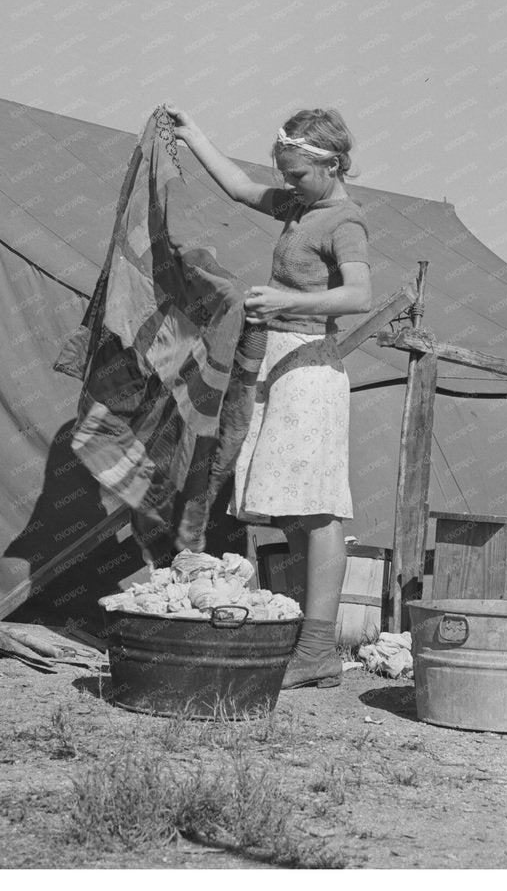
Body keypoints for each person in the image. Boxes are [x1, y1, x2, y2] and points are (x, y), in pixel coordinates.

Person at [166, 104, 372, 689]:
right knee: (290, 508)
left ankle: (316, 647)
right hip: (277, 363)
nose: (288, 184)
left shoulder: (344, 221)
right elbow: (237, 189)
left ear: (333, 166)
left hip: (310, 369)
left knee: (317, 506)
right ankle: (308, 644)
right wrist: (193, 132)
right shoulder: (299, 207)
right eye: (284, 173)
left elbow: (359, 294)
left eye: (299, 175)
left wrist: (287, 303)